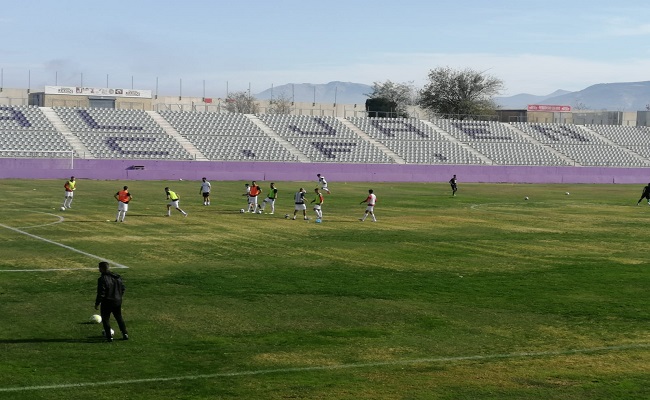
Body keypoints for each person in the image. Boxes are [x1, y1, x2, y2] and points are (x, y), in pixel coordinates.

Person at [94, 261, 128, 342]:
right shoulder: (117, 277)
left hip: (107, 302)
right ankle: (125, 333)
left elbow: (101, 293)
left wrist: (97, 303)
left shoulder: (102, 279)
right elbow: (123, 288)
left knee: (106, 319)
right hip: (117, 301)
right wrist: (119, 296)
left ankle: (109, 337)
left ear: (102, 268)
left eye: (99, 268)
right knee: (119, 318)